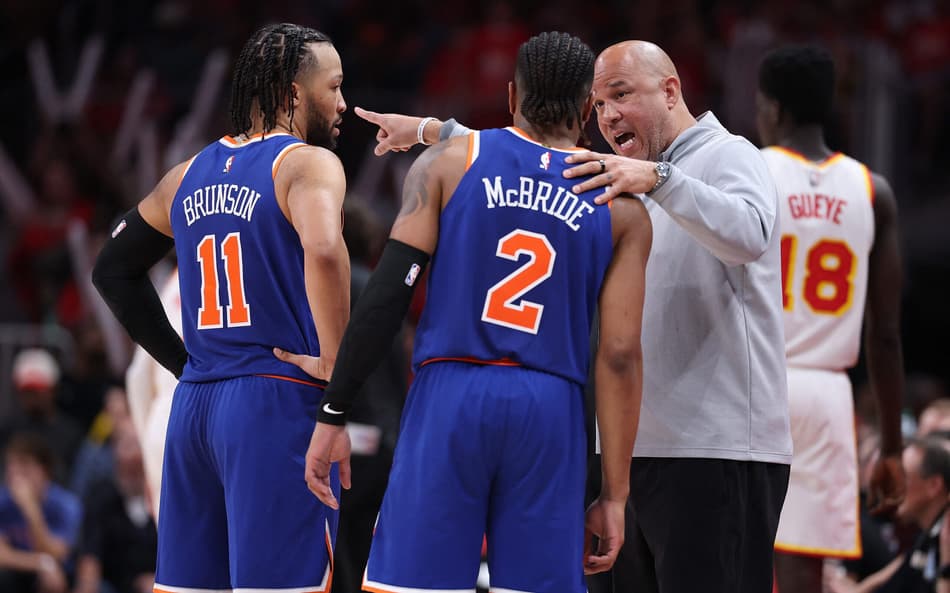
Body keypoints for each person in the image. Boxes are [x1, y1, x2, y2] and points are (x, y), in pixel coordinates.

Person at [355, 39, 793, 593]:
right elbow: (523, 155)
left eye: (622, 95)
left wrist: (658, 178)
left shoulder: (728, 154)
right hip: (632, 452)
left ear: (670, 90)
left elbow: (751, 233)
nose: (608, 116)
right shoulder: (621, 174)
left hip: (718, 450)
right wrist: (430, 131)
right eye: (600, 103)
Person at [278, 31, 651, 593]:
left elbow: (386, 297)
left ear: (511, 96)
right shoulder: (621, 207)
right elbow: (619, 355)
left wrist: (334, 411)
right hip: (550, 408)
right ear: (585, 110)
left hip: (451, 394)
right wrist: (615, 495)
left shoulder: (450, 163)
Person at [91, 22, 350, 592]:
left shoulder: (185, 176)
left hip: (195, 410)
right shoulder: (306, 164)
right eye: (333, 87)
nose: (343, 104)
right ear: (293, 94)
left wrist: (184, 365)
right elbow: (325, 249)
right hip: (275, 401)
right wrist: (338, 368)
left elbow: (111, 270)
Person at [754, 44, 907, 593]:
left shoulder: (751, 170)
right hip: (827, 393)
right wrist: (892, 447)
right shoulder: (872, 190)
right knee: (803, 573)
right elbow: (885, 334)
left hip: (755, 379)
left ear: (772, 108)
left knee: (732, 551)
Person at [826, 437, 950, 593]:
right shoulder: (927, 537)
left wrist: (946, 570)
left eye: (903, 477)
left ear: (934, 485)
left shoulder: (943, 539)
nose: (894, 487)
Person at [72, 419, 157, 593]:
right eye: (126, 445)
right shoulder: (100, 496)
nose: (133, 455)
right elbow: (90, 557)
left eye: (138, 445)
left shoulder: (162, 494)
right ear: (114, 451)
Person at [124, 266, 180, 520]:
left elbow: (137, 377)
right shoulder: (260, 258)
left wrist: (147, 444)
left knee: (175, 534)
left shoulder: (175, 281)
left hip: (167, 413)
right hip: (233, 405)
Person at [0, 432, 80, 593]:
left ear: (45, 471)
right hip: (21, 569)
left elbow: (56, 554)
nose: (16, 478)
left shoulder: (66, 505)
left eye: (24, 468)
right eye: (11, 469)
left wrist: (31, 510)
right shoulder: (3, 501)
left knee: (52, 582)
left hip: (60, 574)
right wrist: (41, 563)